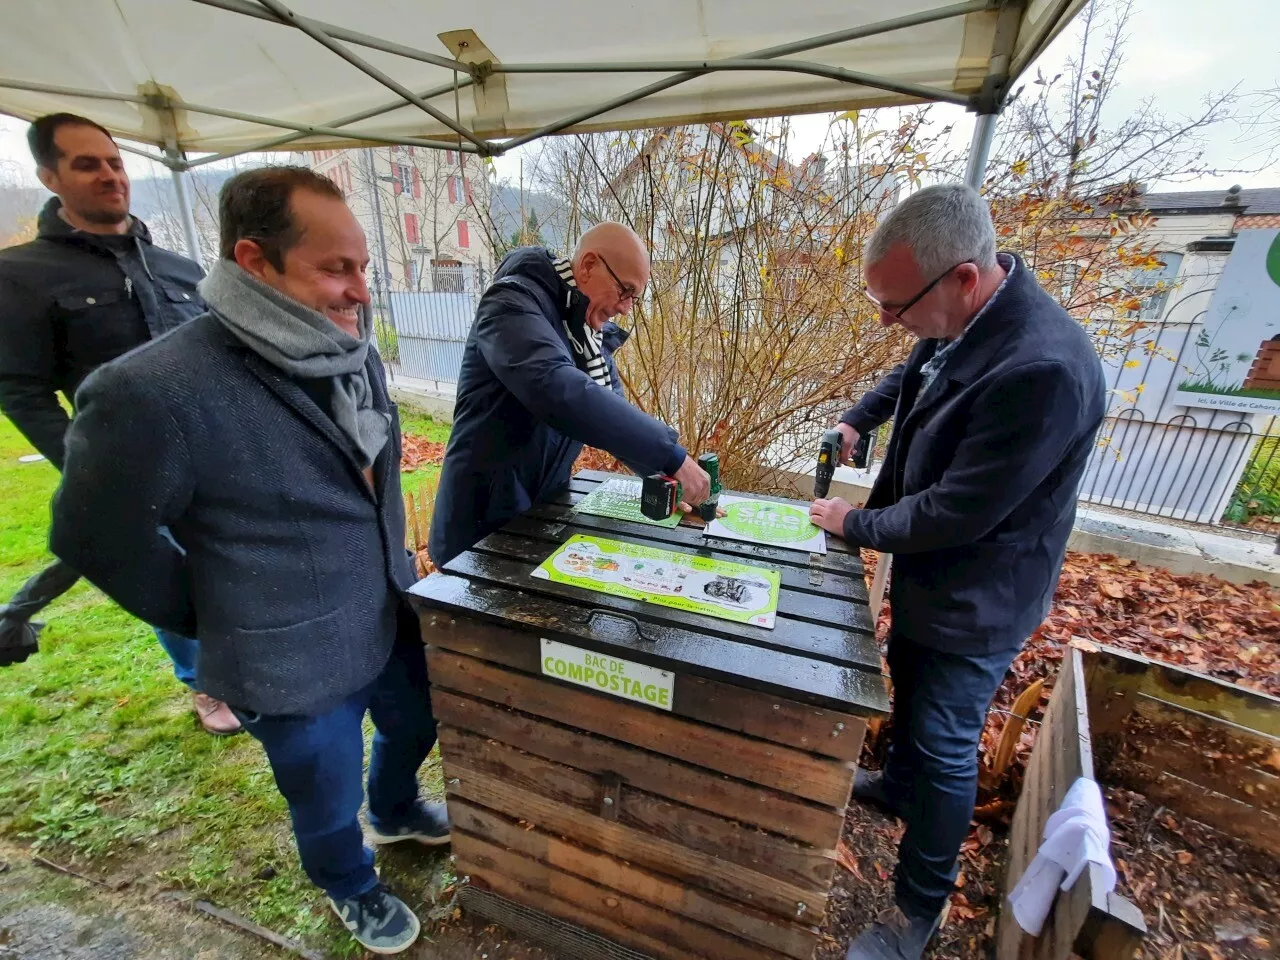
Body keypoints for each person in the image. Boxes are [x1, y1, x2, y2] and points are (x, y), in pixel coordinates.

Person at [49, 166, 446, 955]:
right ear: (254, 261)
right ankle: (349, 883)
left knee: (414, 724)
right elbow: (96, 537)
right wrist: (218, 614)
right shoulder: (152, 390)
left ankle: (395, 809)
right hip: (285, 655)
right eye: (336, 269)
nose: (360, 291)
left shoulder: (349, 351)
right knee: (323, 793)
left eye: (363, 266)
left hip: (386, 606)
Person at [807, 184, 1105, 960]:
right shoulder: (961, 314)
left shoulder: (1042, 370)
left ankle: (917, 911)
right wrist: (858, 418)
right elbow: (915, 374)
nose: (887, 321)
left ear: (963, 277)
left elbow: (954, 513)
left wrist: (855, 523)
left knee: (944, 741)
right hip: (933, 582)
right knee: (910, 687)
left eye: (893, 305)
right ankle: (897, 788)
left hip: (980, 598)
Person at [0, 113, 236, 734]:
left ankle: (237, 658)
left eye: (114, 162)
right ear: (49, 176)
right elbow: (21, 390)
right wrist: (84, 464)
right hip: (128, 462)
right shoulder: (22, 274)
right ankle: (205, 684)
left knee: (220, 557)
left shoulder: (182, 270)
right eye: (86, 164)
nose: (109, 175)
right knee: (157, 563)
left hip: (215, 450)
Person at [429, 222, 710, 567]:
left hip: (534, 518)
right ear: (589, 265)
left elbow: (610, 418)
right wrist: (672, 456)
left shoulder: (583, 330)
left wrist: (663, 476)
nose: (626, 309)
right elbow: (560, 390)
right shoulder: (511, 305)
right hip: (477, 531)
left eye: (634, 299)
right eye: (625, 291)